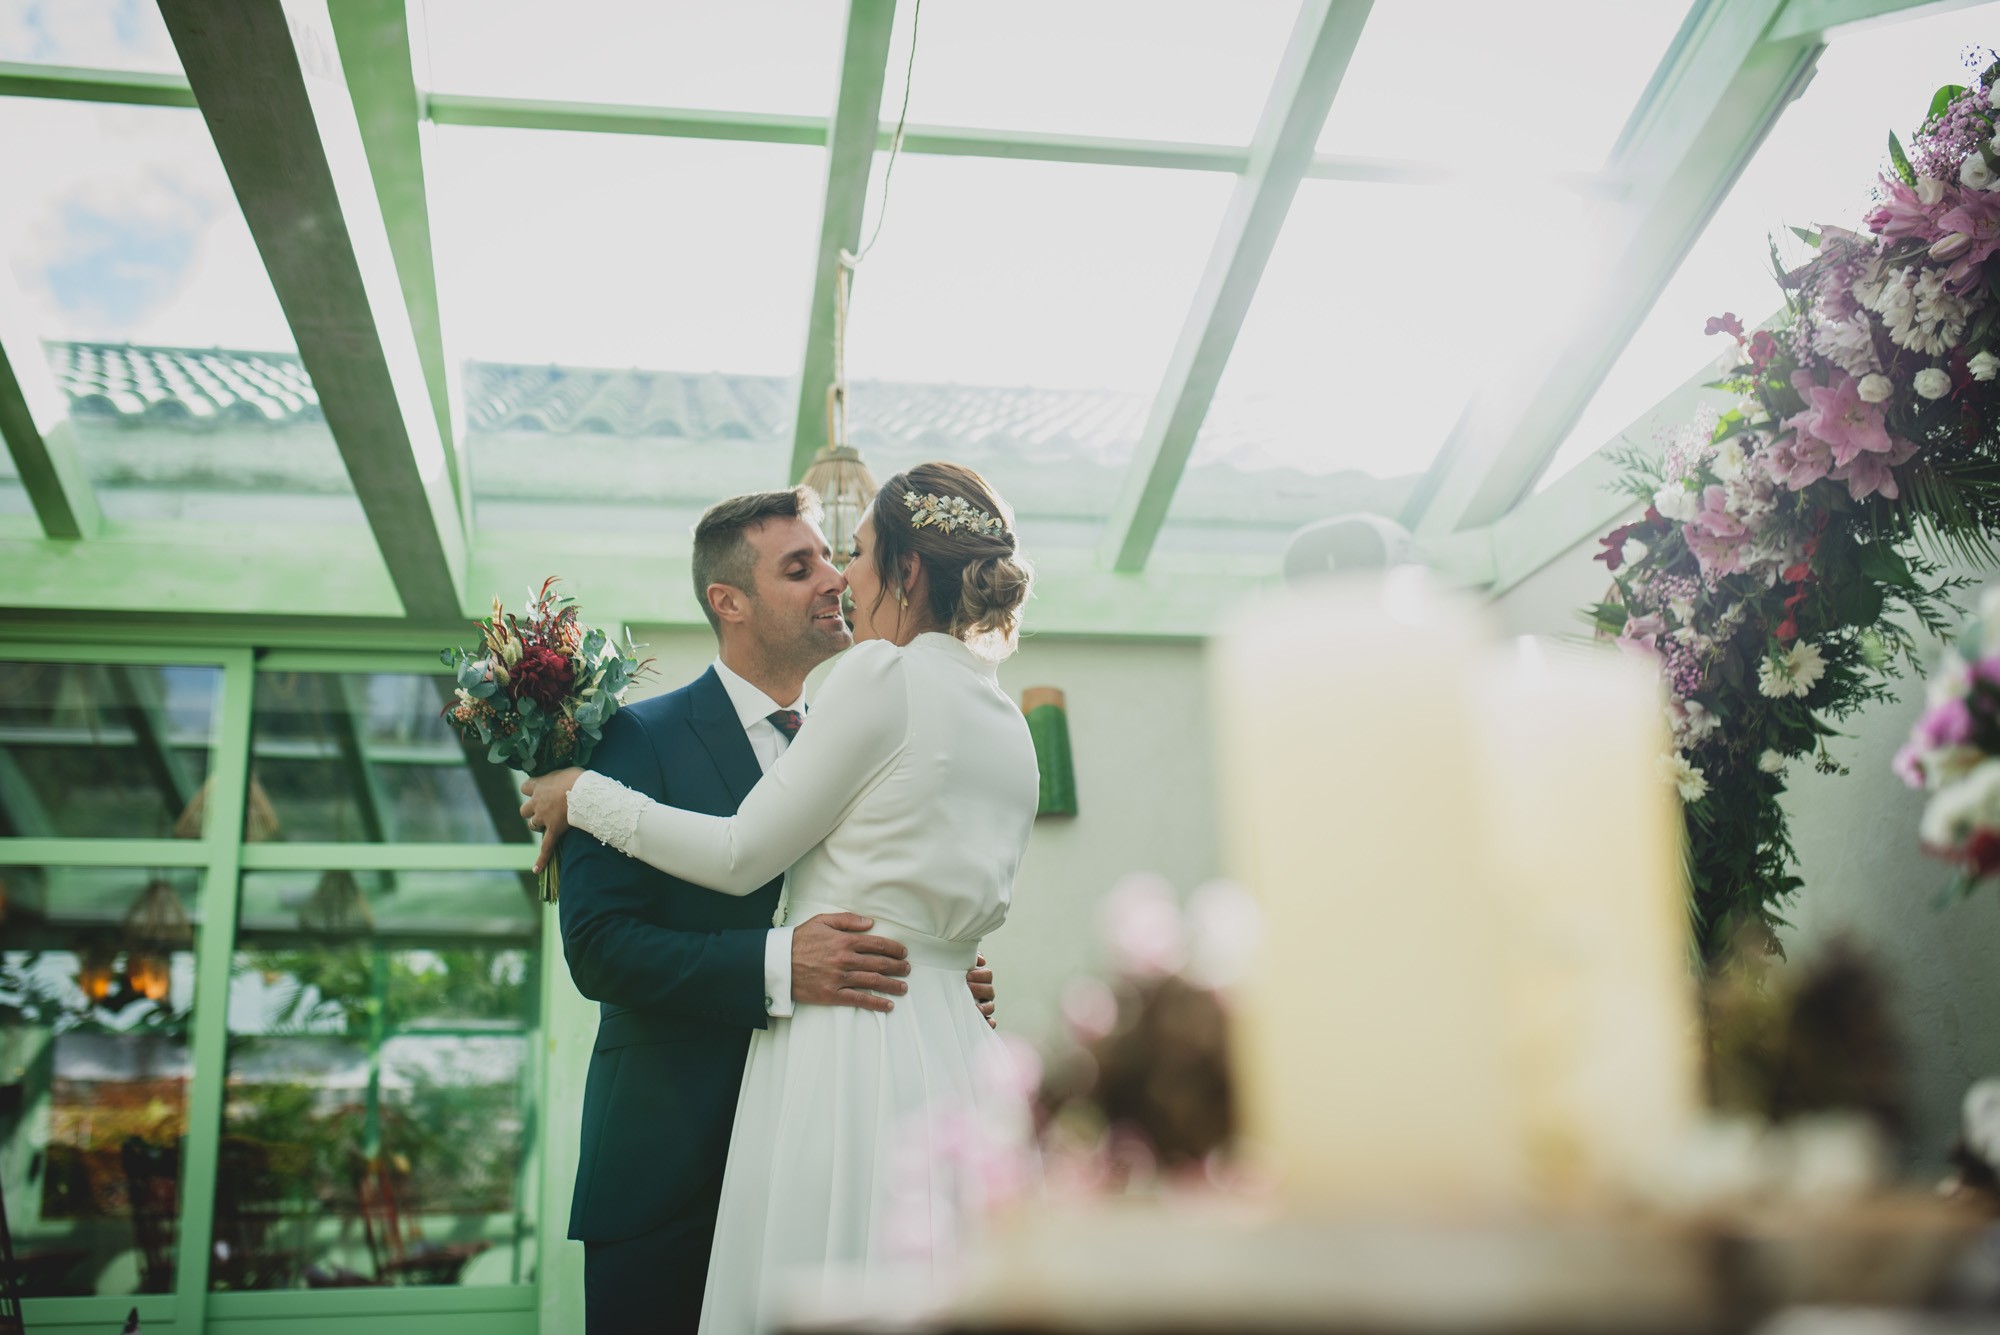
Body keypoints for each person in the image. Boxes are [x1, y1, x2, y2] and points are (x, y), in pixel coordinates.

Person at [525, 462, 1038, 1333]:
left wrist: (582, 797)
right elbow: (600, 947)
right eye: (802, 566)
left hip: (841, 1094)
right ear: (728, 600)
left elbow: (749, 854)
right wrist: (882, 959)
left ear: (906, 574)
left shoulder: (875, 686)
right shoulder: (631, 737)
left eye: (852, 555)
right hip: (675, 1164)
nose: (842, 576)